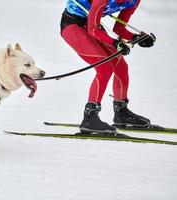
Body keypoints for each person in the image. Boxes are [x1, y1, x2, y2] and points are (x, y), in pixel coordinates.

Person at [60, 0, 156, 133]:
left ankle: (121, 113)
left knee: (121, 67)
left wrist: (136, 38)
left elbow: (119, 28)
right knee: (104, 68)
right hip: (73, 25)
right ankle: (89, 118)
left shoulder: (134, 1)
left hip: (92, 26)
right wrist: (115, 43)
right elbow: (92, 29)